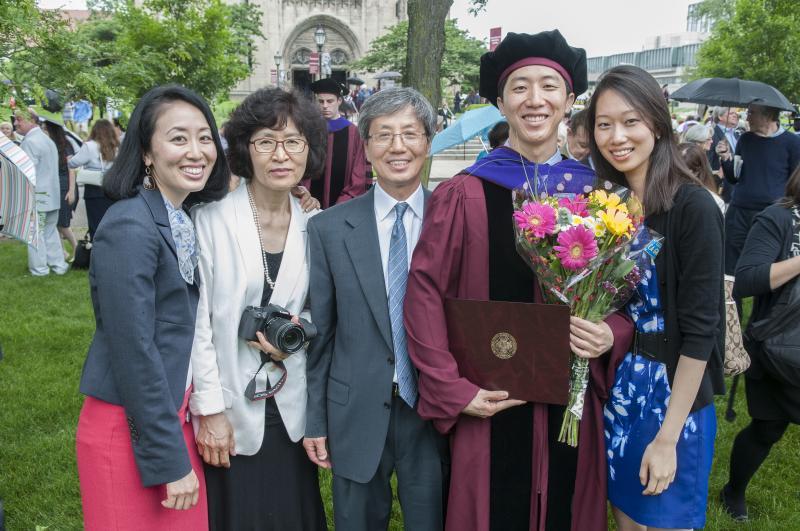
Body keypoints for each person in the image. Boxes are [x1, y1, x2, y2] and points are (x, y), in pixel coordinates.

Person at [403, 30, 634, 531]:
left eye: (549, 86)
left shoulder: (600, 198)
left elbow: (629, 296)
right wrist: (451, 387)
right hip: (489, 397)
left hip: (570, 398)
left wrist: (610, 332)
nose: (535, 100)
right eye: (520, 87)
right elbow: (424, 293)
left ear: (569, 101)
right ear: (501, 102)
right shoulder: (464, 193)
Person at [76, 84, 231, 531]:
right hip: (128, 429)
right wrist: (167, 460)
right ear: (146, 152)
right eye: (178, 138)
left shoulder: (176, 216)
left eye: (205, 137)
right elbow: (134, 352)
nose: (196, 151)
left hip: (169, 419)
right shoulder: (129, 225)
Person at [588, 65, 725, 531]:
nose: (616, 136)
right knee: (627, 519)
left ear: (657, 124)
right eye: (604, 124)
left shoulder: (694, 207)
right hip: (625, 389)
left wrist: (668, 438)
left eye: (630, 121)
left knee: (667, 520)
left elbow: (702, 331)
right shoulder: (611, 207)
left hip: (675, 398)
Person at [305, 87, 447, 531]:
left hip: (433, 411)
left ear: (428, 141)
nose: (397, 147)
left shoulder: (454, 217)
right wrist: (315, 419)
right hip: (355, 408)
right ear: (365, 148)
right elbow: (321, 330)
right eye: (383, 135)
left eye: (410, 133)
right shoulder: (329, 228)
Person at [189, 88, 327, 531]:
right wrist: (209, 410)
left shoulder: (317, 226)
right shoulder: (210, 220)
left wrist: (299, 333)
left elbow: (321, 310)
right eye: (266, 141)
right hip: (229, 405)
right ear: (246, 149)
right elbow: (198, 324)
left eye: (293, 142)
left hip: (291, 406)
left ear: (309, 150)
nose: (280, 154)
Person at [721, 165, 800, 522]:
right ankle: (733, 492)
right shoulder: (779, 219)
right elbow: (747, 279)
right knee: (768, 427)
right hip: (781, 348)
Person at [720, 104, 800, 279]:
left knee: (770, 264)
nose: (747, 118)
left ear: (768, 115)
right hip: (739, 211)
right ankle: (731, 304)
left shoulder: (793, 143)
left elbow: (796, 183)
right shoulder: (745, 140)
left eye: (751, 113)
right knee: (729, 266)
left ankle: (768, 305)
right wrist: (726, 158)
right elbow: (734, 177)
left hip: (773, 214)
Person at [14, 108, 69, 276]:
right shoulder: (46, 139)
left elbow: (26, 173)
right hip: (51, 195)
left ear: (31, 119)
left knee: (35, 234)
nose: (15, 123)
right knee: (50, 232)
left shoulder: (30, 142)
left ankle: (39, 270)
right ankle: (59, 265)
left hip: (37, 197)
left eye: (19, 120)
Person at [302, 77, 370, 209]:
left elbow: (359, 172)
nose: (325, 105)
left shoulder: (353, 133)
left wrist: (342, 203)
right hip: (308, 205)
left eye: (330, 101)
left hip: (343, 206)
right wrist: (304, 194)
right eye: (321, 101)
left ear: (339, 101)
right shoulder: (309, 130)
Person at [68, 119, 120, 239]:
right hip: (113, 187)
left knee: (96, 225)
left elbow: (74, 163)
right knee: (112, 224)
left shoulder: (90, 146)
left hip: (94, 190)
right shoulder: (116, 146)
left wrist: (70, 159)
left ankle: (98, 252)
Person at [42, 120, 79, 260]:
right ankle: (62, 252)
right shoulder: (48, 145)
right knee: (55, 222)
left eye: (45, 129)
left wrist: (71, 190)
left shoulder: (65, 145)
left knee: (63, 223)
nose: (43, 131)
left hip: (64, 186)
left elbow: (71, 170)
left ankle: (76, 248)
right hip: (53, 185)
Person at [679, 142, 725, 211]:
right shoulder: (665, 195)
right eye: (708, 139)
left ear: (696, 172)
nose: (712, 141)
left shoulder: (712, 201)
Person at [709, 107, 741, 202]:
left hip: (737, 185)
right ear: (720, 116)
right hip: (721, 188)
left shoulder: (737, 135)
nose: (735, 115)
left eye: (736, 113)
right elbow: (708, 163)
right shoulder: (712, 134)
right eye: (731, 113)